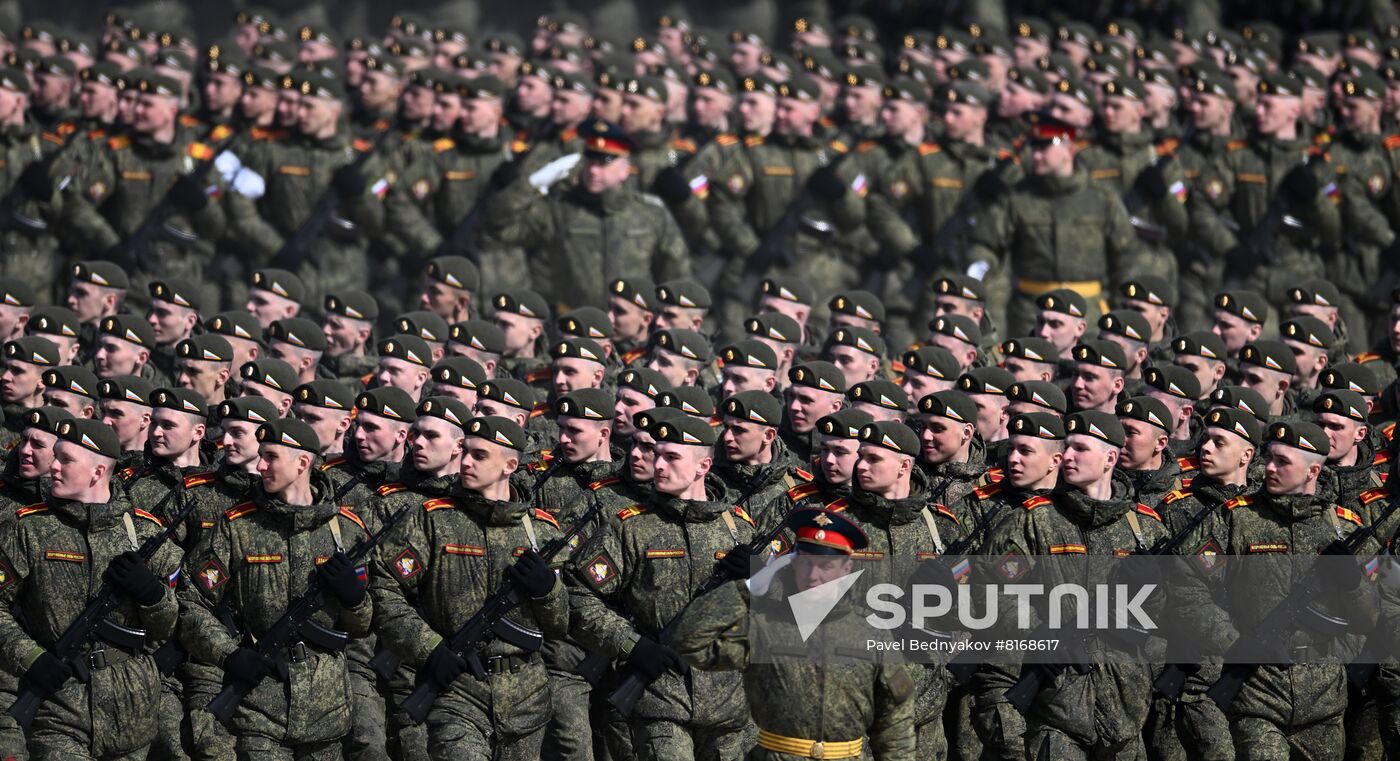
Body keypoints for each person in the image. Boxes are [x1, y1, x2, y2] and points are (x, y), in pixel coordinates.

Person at [370, 414, 567, 759]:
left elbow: (559, 625)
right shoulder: (432, 519)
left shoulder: (540, 533)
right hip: (456, 691)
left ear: (509, 465)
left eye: (480, 455)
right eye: (466, 452)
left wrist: (547, 590)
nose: (467, 462)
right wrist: (429, 648)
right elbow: (386, 589)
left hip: (527, 697)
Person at [179, 417, 373, 759]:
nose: (261, 465)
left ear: (302, 463)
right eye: (262, 455)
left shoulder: (344, 530)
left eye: (271, 457)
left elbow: (359, 627)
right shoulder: (237, 527)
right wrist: (230, 653)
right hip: (259, 707)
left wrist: (355, 598)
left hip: (327, 711)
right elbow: (192, 602)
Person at [569, 413, 755, 761]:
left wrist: (761, 576)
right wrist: (631, 645)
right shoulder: (633, 527)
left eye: (672, 457)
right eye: (658, 455)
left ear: (703, 466)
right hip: (660, 700)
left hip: (730, 708)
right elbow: (580, 596)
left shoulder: (738, 529)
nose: (659, 465)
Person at [671, 507, 920, 761]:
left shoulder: (872, 632)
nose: (813, 576)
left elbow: (894, 721)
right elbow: (690, 641)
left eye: (826, 566)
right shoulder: (764, 625)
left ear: (846, 568)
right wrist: (749, 588)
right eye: (805, 564)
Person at [0, 418, 182, 759]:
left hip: (133, 711)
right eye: (54, 456)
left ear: (98, 472)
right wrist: (32, 658)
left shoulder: (143, 533)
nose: (53, 466)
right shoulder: (29, 528)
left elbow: (170, 630)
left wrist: (153, 597)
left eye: (65, 459)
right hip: (59, 706)